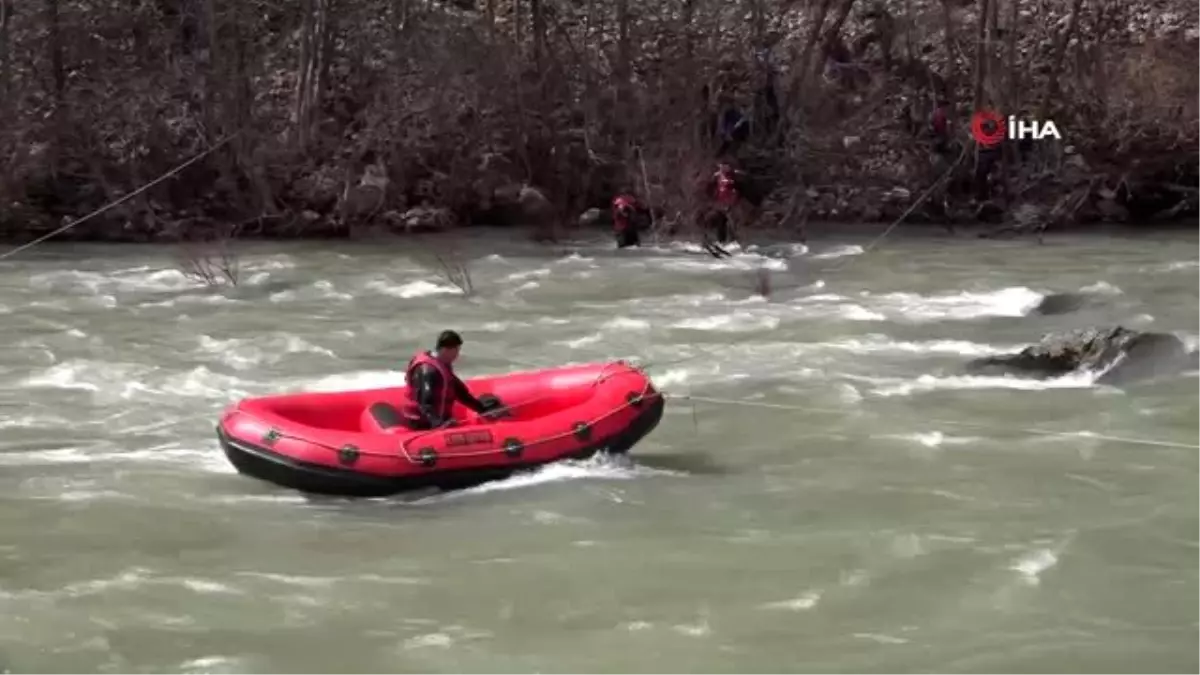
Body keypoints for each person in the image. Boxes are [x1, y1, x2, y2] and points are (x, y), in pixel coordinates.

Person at [399, 330, 492, 430]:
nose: (457, 355)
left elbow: (461, 393)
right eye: (456, 351)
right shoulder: (428, 370)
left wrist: (483, 409)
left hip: (440, 420)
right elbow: (425, 403)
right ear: (446, 350)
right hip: (422, 424)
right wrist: (438, 423)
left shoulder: (441, 365)